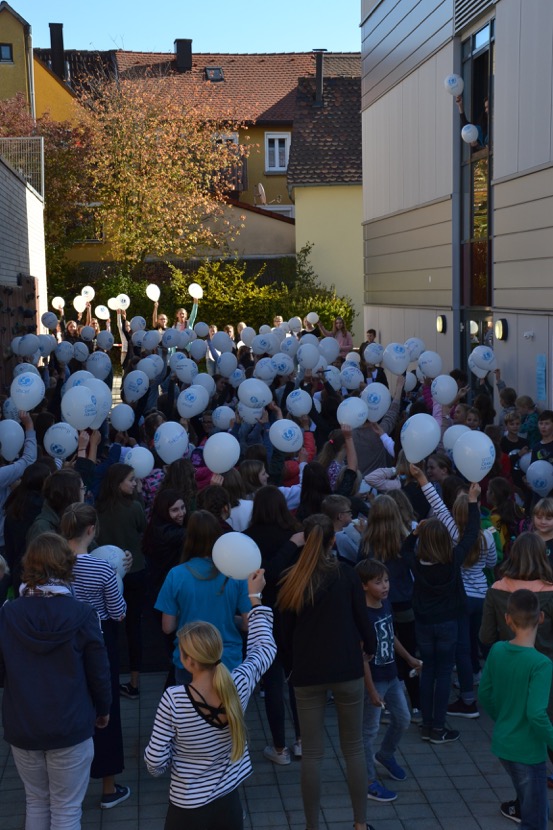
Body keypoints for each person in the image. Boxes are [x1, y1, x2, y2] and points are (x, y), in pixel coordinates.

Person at [144, 571, 275, 830]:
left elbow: (155, 762)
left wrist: (176, 759)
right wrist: (255, 597)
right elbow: (264, 648)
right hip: (229, 804)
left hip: (187, 809)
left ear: (187, 660)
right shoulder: (238, 683)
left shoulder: (174, 699)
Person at [0, 532, 111, 829]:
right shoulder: (83, 614)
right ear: (66, 566)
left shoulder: (7, 614)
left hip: (23, 726)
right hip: (71, 724)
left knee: (35, 802)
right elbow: (99, 671)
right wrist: (103, 709)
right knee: (66, 810)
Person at [277, 514, 377, 830]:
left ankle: (311, 826)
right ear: (333, 541)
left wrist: (292, 668)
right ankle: (360, 824)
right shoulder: (346, 575)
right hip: (347, 669)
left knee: (313, 755)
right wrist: (369, 650)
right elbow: (364, 621)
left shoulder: (292, 578)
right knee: (354, 749)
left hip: (307, 674)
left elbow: (284, 634)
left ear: (305, 540)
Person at [400, 475, 481, 744]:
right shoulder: (454, 560)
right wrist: (472, 502)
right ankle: (438, 728)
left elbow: (404, 549)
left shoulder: (416, 563)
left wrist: (414, 533)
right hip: (448, 624)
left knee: (428, 670)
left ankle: (425, 724)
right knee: (445, 672)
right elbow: (470, 534)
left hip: (423, 623)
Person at [61, 503, 131, 809]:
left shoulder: (55, 563)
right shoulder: (102, 568)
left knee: (72, 706)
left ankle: (67, 784)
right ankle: (107, 787)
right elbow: (118, 612)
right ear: (92, 530)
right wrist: (120, 575)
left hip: (63, 639)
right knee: (105, 706)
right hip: (100, 638)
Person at [479, 589, 553, 829]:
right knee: (535, 820)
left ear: (508, 618)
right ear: (540, 617)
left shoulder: (497, 650)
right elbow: (536, 714)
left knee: (532, 802)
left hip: (503, 743)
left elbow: (484, 695)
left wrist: (504, 718)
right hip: (528, 751)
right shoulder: (541, 664)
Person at [155, 510, 251, 682]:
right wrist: (228, 618)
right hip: (227, 661)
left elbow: (167, 626)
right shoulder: (235, 573)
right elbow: (247, 624)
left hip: (189, 661)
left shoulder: (176, 575)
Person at [356, 558, 421, 803]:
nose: (385, 586)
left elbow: (390, 635)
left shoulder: (385, 605)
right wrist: (371, 690)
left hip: (392, 675)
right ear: (363, 585)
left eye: (386, 580)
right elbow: (362, 658)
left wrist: (409, 658)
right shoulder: (362, 615)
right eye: (378, 582)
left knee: (403, 719)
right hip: (375, 681)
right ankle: (368, 781)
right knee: (368, 732)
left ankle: (385, 754)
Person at [96, 463, 147, 699]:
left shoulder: (97, 509)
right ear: (118, 483)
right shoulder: (135, 507)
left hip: (108, 574)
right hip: (135, 571)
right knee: (134, 627)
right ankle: (134, 682)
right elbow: (141, 529)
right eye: (131, 480)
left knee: (110, 628)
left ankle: (109, 679)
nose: (135, 483)